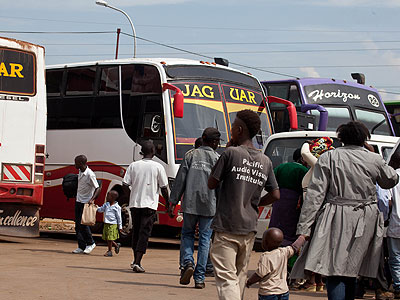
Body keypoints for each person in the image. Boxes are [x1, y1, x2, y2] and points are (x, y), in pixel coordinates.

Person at [291, 121, 399, 300]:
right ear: (365, 139)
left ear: (341, 138)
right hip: (365, 219)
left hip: (335, 216)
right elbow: (391, 180)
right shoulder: (374, 159)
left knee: (335, 270)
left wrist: (304, 228)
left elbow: (315, 196)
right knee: (352, 269)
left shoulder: (328, 158)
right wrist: (372, 154)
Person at [208, 109, 280, 300]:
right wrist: (255, 203)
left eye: (232, 127)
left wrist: (227, 151)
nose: (230, 130)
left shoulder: (230, 153)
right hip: (249, 227)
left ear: (239, 130)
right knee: (239, 276)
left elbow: (211, 183)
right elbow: (275, 194)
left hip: (227, 226)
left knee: (226, 278)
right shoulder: (265, 161)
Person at [168, 127, 221, 289]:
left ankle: (187, 262)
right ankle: (199, 279)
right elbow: (221, 186)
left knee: (187, 234)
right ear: (213, 142)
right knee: (205, 240)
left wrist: (173, 201)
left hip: (190, 204)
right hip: (210, 206)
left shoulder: (191, 155)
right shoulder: (218, 159)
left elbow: (180, 181)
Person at [123, 140, 169, 273]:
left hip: (135, 204)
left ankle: (135, 260)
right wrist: (168, 203)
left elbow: (125, 185)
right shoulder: (158, 167)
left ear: (142, 152)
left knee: (136, 231)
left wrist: (132, 196)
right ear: (153, 152)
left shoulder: (133, 165)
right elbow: (164, 188)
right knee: (144, 233)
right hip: (149, 205)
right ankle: (137, 262)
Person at [246, 228, 306, 300]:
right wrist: (302, 237)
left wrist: (249, 282)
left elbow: (260, 274)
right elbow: (295, 247)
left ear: (266, 243)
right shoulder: (284, 252)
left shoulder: (266, 256)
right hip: (283, 291)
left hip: (269, 293)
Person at [269, 148, 308, 246]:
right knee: (290, 233)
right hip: (294, 204)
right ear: (303, 159)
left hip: (278, 201)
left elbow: (270, 183)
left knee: (276, 225)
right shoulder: (304, 171)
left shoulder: (281, 167)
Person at [72, 155, 100, 255]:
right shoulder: (80, 172)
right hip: (78, 200)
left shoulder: (90, 174)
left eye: (76, 162)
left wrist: (92, 199)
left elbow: (97, 188)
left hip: (86, 202)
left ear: (81, 163)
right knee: (77, 225)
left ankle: (91, 243)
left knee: (84, 224)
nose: (74, 164)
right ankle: (81, 246)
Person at [387, 152, 400, 299]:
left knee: (396, 258)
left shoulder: (393, 176)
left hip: (396, 222)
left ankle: (398, 286)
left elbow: (387, 201)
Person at [97, 190, 123, 257]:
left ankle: (109, 251)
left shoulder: (117, 207)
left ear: (113, 198)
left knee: (110, 238)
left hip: (113, 224)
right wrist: (95, 207)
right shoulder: (106, 205)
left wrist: (120, 226)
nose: (107, 197)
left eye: (108, 196)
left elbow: (119, 217)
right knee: (107, 237)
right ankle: (116, 245)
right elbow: (101, 210)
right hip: (106, 223)